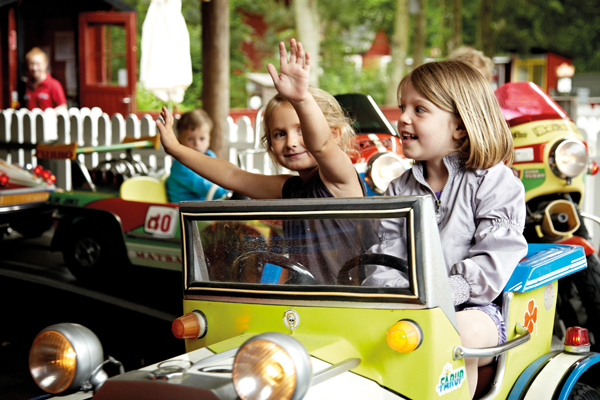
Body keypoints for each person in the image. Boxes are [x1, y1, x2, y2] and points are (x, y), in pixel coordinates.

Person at [362, 60, 528, 398]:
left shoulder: (494, 182)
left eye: (419, 109)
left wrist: (445, 293)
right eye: (403, 107)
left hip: (476, 309)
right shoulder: (398, 189)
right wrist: (395, 293)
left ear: (460, 127)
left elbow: (495, 257)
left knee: (456, 332)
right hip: (412, 305)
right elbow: (386, 255)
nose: (403, 118)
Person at [157, 39, 375, 284]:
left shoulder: (340, 180)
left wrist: (301, 99)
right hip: (304, 300)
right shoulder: (292, 189)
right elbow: (233, 177)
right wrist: (176, 149)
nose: (291, 142)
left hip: (347, 303)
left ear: (334, 133)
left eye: (301, 129)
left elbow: (322, 146)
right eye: (280, 134)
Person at [165, 109, 229, 203]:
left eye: (202, 139)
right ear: (179, 140)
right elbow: (203, 187)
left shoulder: (210, 155)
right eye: (190, 139)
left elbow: (221, 176)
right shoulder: (181, 166)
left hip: (205, 208)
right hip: (185, 213)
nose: (197, 143)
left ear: (209, 140)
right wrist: (230, 191)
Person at [23, 47, 67, 112]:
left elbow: (63, 107)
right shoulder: (26, 85)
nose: (35, 68)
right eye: (32, 64)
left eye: (38, 64)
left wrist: (50, 114)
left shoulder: (54, 85)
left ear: (45, 64)